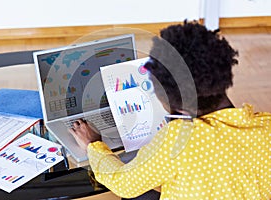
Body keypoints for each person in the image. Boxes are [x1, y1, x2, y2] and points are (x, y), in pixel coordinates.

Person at [69, 21, 271, 199]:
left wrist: (93, 145)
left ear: (175, 104)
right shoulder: (266, 126)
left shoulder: (177, 140)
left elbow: (124, 185)